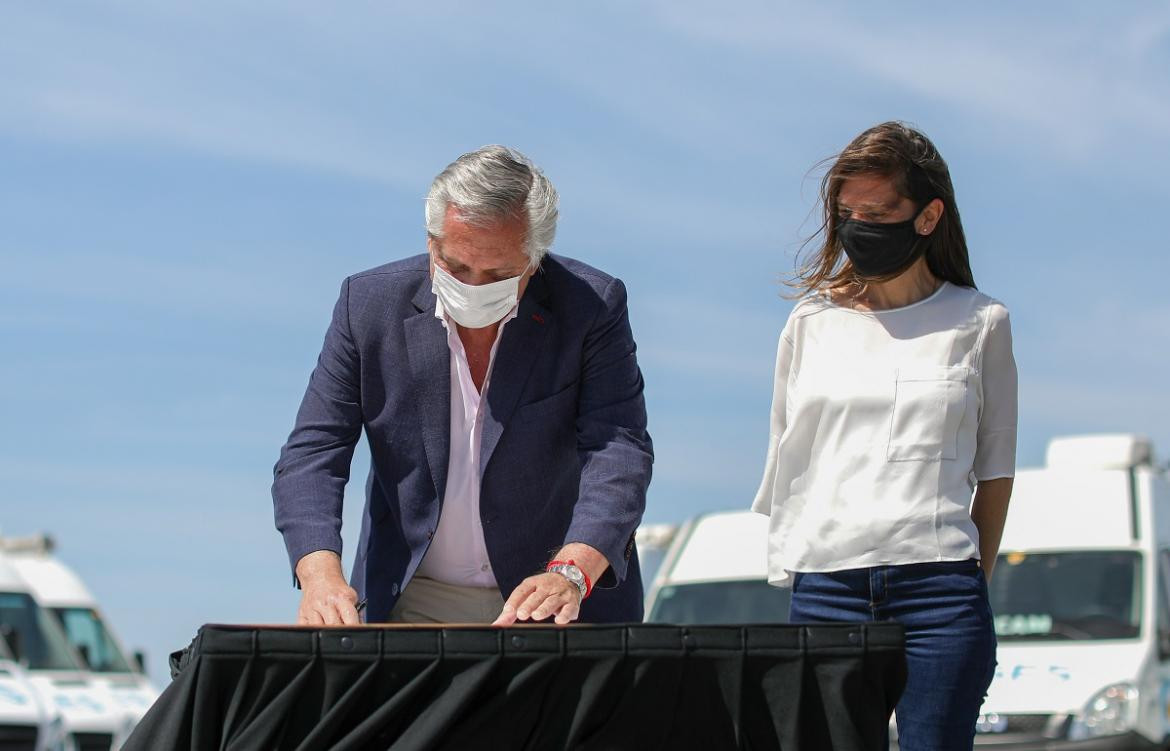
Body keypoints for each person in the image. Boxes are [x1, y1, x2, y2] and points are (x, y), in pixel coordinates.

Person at [273, 145, 652, 627]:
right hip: (413, 597)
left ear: (535, 260)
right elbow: (314, 450)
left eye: (496, 274)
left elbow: (618, 450)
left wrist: (573, 571)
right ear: (432, 241)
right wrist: (320, 573)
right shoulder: (367, 306)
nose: (473, 287)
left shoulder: (591, 307)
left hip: (556, 599)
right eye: (455, 267)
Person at [752, 122, 1016, 750]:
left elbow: (996, 470)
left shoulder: (980, 322)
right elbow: (787, 456)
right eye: (847, 212)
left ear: (927, 217)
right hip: (825, 590)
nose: (858, 226)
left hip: (940, 593)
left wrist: (970, 581)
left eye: (878, 211)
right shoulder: (811, 322)